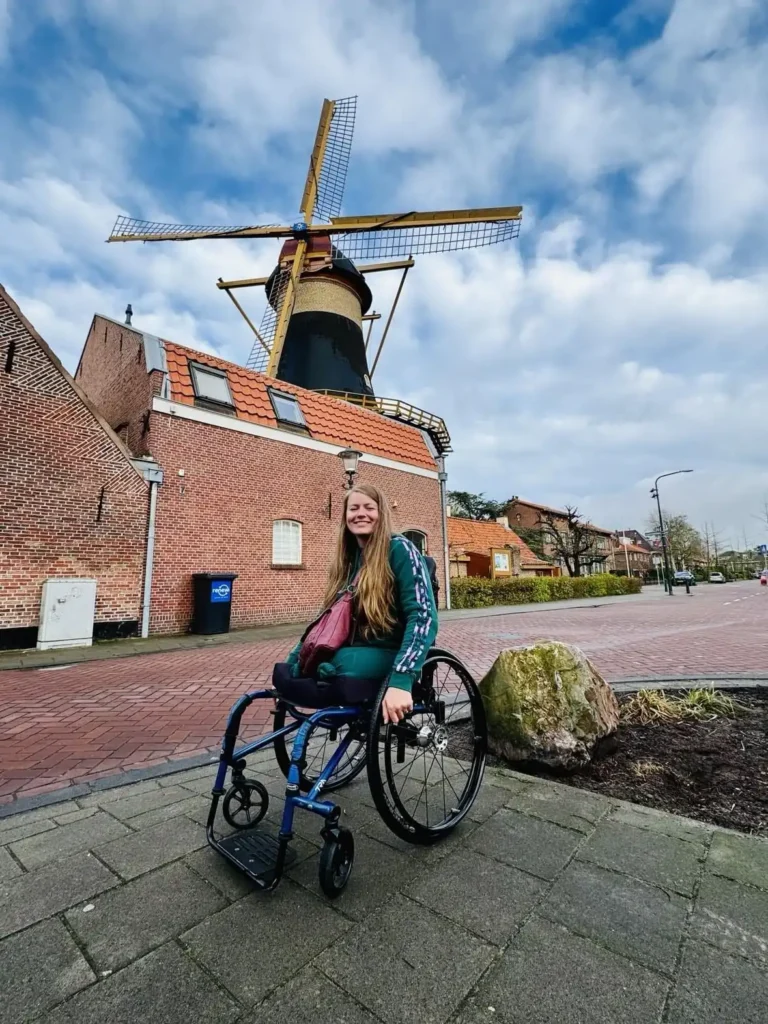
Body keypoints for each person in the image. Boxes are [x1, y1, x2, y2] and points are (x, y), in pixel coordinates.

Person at [277, 483, 438, 724]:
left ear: (381, 513)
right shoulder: (348, 559)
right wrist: (294, 659)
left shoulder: (400, 550)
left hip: (391, 649)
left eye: (368, 508)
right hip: (353, 647)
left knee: (336, 666)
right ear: (345, 517)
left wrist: (402, 680)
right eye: (353, 508)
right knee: (291, 669)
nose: (360, 513)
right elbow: (328, 620)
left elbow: (423, 616)